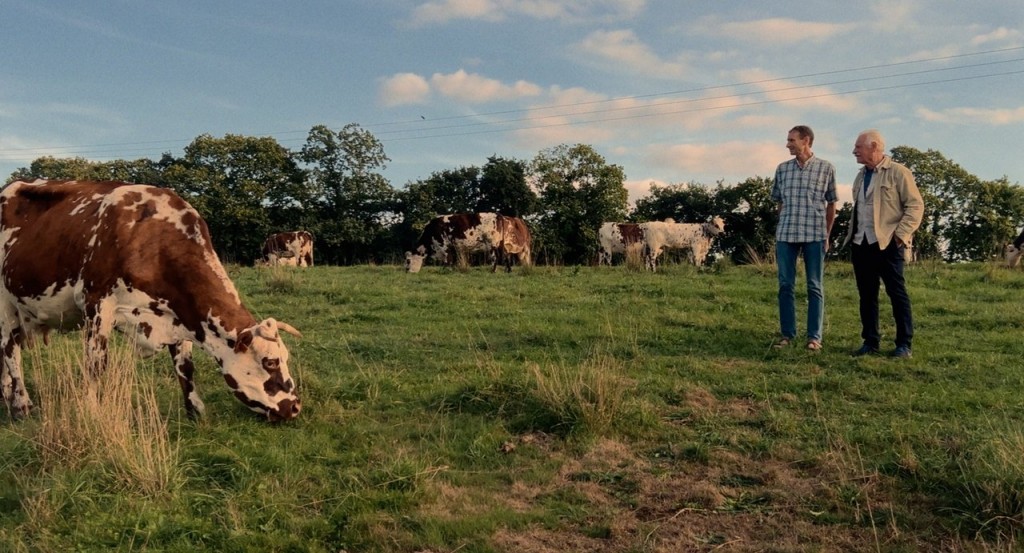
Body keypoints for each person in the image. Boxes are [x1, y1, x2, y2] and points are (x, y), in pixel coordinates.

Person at [843, 129, 924, 358]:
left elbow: (915, 206)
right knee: (866, 295)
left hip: (888, 243)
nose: (854, 151)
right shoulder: (860, 176)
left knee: (896, 293)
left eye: (858, 147)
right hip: (861, 243)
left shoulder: (898, 172)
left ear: (874, 147)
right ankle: (870, 342)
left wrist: (900, 235)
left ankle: (904, 344)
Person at [771, 125, 837, 351]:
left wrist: (826, 235)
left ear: (805, 140)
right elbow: (778, 201)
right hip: (786, 235)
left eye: (791, 140)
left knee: (814, 286)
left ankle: (814, 338)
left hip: (814, 235)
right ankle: (787, 335)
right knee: (785, 285)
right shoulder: (782, 169)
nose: (787, 144)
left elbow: (831, 204)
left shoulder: (826, 168)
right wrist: (782, 223)